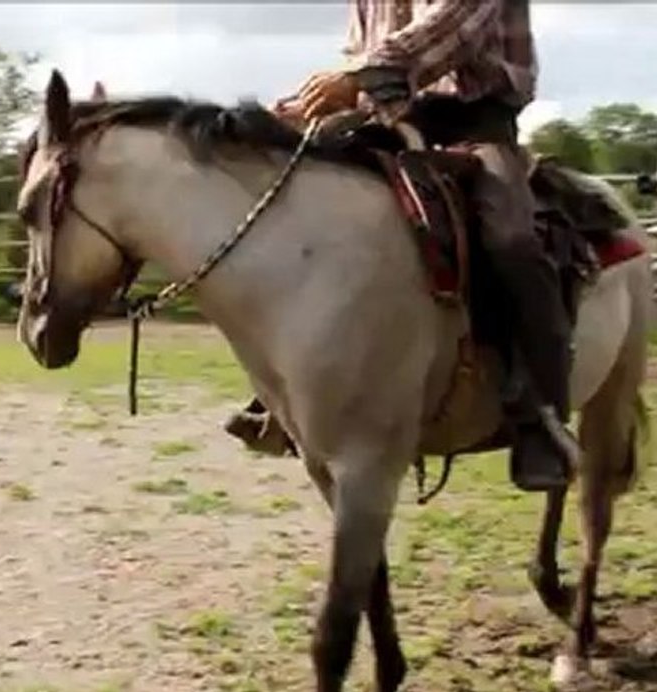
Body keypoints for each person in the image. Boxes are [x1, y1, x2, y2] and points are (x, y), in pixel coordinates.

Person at [226, 0, 579, 492]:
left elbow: (454, 25)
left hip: (475, 125)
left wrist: (361, 75)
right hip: (387, 123)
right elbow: (359, 54)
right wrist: (302, 107)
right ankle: (289, 393)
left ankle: (542, 413)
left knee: (513, 241)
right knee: (303, 207)